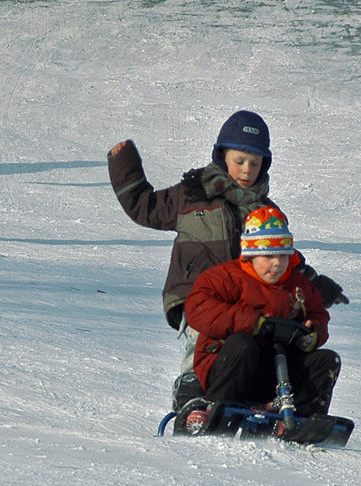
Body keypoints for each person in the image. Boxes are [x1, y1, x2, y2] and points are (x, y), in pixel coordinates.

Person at [107, 110, 347, 407]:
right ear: (222, 157)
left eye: (255, 163)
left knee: (251, 344)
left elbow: (282, 259)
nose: (247, 170)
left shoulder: (263, 212)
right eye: (239, 161)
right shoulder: (192, 195)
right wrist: (124, 164)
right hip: (195, 292)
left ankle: (259, 394)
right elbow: (145, 207)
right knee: (203, 334)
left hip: (244, 299)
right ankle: (190, 387)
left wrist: (317, 285)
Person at [183, 206, 340, 426]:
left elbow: (318, 313)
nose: (277, 263)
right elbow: (198, 307)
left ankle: (301, 419)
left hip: (275, 368)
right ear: (251, 254)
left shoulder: (297, 284)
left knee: (326, 360)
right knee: (244, 343)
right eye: (268, 255)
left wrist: (312, 332)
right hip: (228, 363)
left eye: (283, 256)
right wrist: (252, 323)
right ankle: (215, 407)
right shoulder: (227, 277)